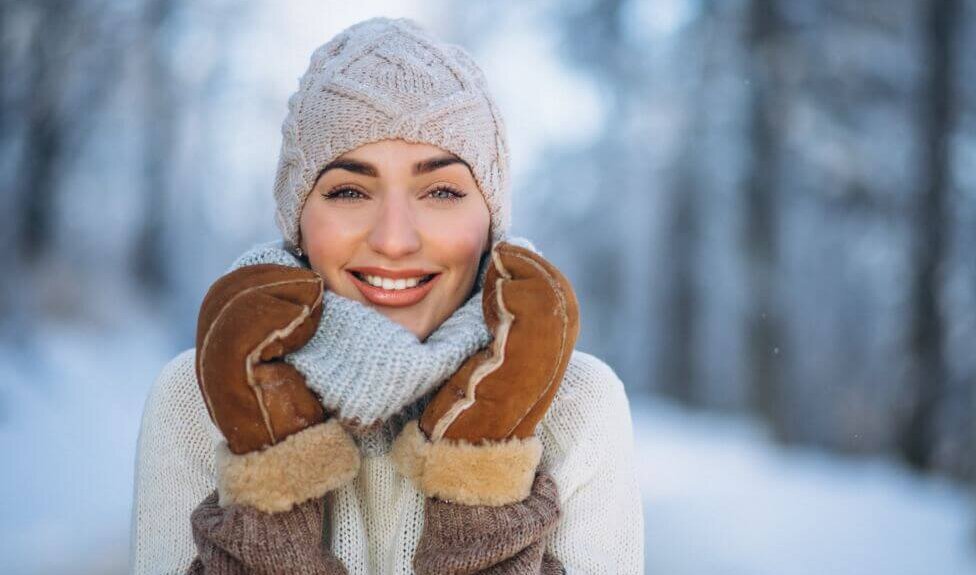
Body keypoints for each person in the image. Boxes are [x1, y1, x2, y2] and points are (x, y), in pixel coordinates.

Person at [130, 16, 643, 574]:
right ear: (298, 220)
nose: (394, 240)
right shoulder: (202, 396)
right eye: (349, 191)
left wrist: (482, 480)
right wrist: (272, 489)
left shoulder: (575, 404)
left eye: (441, 191)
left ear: (489, 220)